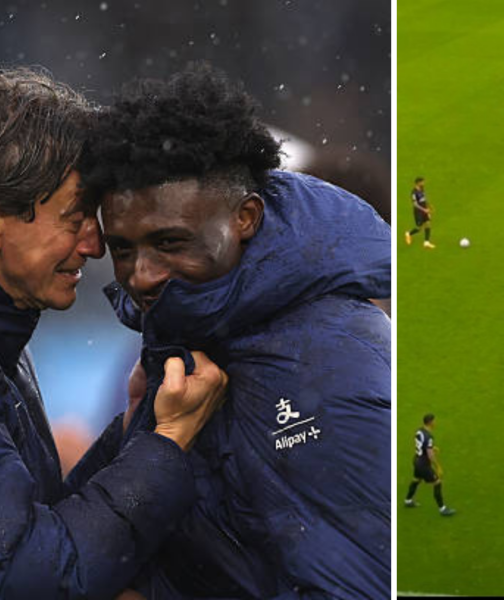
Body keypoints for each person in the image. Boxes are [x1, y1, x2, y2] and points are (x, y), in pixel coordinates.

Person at [0, 66, 229, 598]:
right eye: (75, 218)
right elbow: (33, 579)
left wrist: (131, 432)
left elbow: (29, 524)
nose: (94, 246)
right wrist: (166, 446)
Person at [76, 63, 391, 599]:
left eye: (170, 243)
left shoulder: (329, 361)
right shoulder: (187, 335)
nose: (141, 276)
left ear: (245, 217)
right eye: (123, 250)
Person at [404, 414, 455, 516]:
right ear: (430, 422)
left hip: (417, 460)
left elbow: (421, 444)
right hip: (423, 464)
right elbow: (430, 455)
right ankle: (442, 509)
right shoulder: (429, 436)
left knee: (416, 480)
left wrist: (432, 447)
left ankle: (408, 501)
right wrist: (438, 467)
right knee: (437, 482)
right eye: (434, 421)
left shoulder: (419, 431)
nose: (435, 423)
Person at [405, 176, 435, 249]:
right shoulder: (414, 192)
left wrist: (429, 207)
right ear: (418, 183)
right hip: (418, 212)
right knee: (419, 228)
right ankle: (408, 233)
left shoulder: (422, 189)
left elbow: (424, 199)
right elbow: (415, 204)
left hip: (425, 210)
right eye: (422, 182)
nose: (424, 183)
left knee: (428, 224)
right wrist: (424, 210)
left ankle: (426, 242)